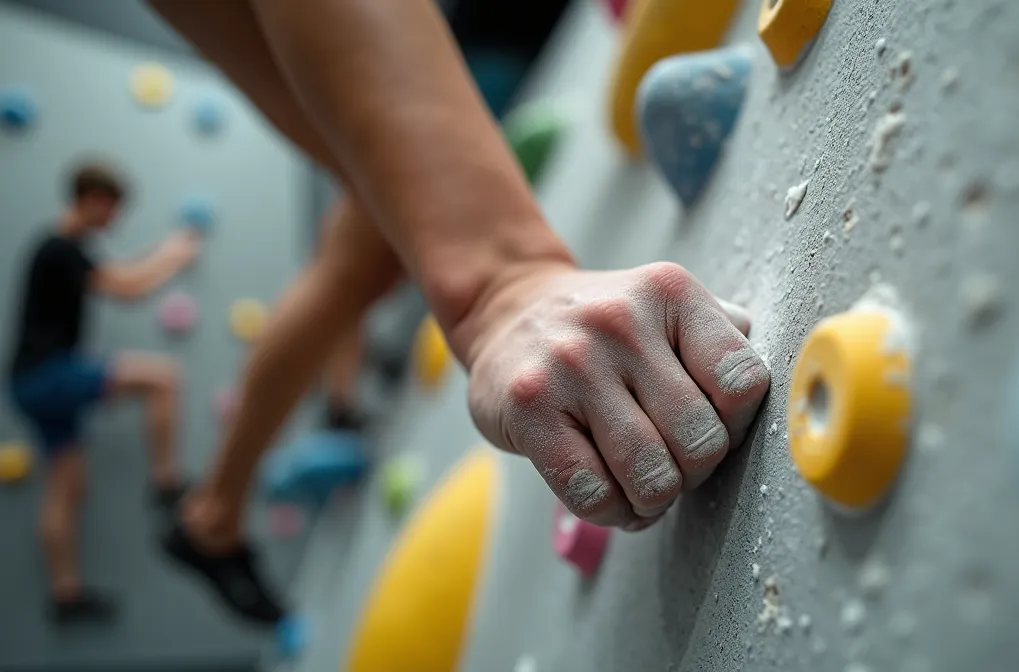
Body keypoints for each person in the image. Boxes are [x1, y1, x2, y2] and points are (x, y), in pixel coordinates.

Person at [148, 0, 771, 626]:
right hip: (469, 49)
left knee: (365, 244)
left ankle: (214, 510)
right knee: (359, 250)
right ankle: (213, 509)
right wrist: (503, 284)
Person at [7, 163, 199, 625]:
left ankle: (65, 596)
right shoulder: (61, 247)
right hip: (49, 375)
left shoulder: (62, 248)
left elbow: (118, 270)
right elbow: (127, 287)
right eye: (113, 209)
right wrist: (176, 255)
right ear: (92, 199)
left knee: (67, 484)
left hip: (28, 382)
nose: (115, 220)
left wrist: (160, 251)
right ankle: (166, 484)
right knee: (164, 378)